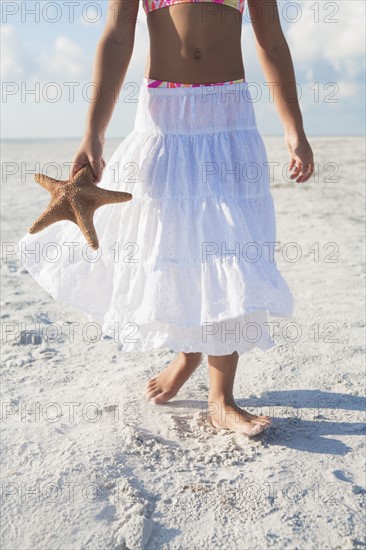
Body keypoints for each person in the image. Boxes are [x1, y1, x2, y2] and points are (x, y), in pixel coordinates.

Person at [19, 0, 314, 436]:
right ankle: (187, 350)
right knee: (170, 244)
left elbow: (270, 38)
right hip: (163, 118)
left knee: (226, 248)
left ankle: (221, 398)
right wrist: (93, 133)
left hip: (227, 116)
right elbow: (118, 37)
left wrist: (295, 128)